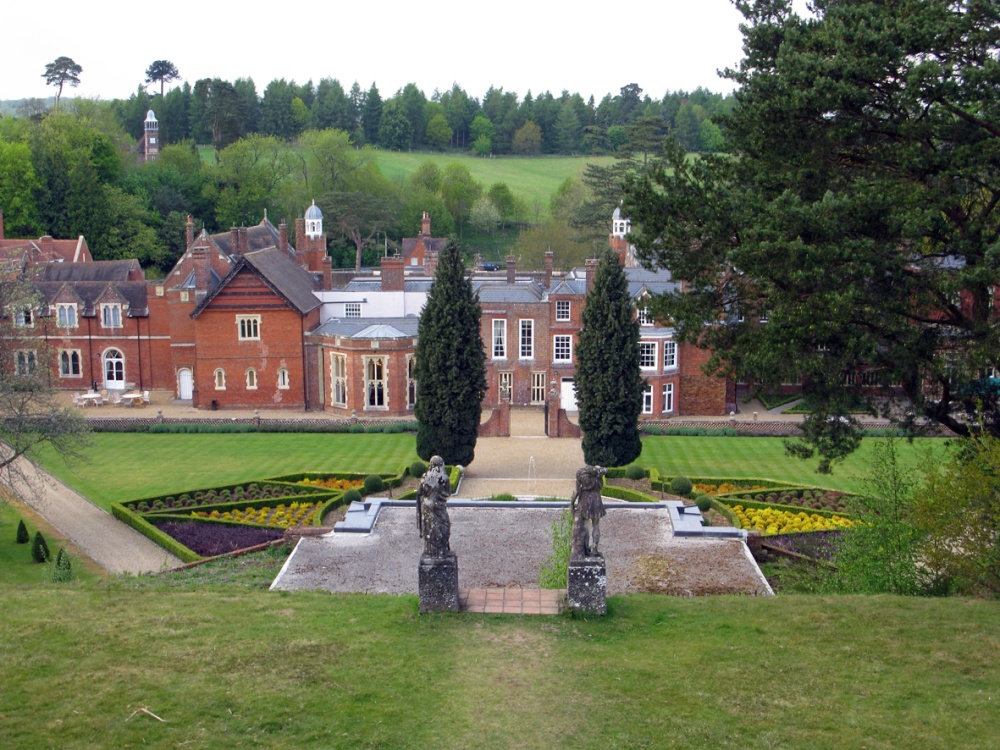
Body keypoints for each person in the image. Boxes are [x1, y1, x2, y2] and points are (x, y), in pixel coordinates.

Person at [570, 465, 607, 557]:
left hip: (584, 500)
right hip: (596, 499)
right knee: (596, 525)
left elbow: (577, 491)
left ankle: (586, 549)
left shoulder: (580, 473)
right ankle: (595, 549)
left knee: (585, 526)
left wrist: (572, 504)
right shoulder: (597, 473)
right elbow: (600, 485)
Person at [417, 456, 451, 556]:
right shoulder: (444, 477)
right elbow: (448, 493)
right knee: (444, 527)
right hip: (439, 506)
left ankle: (431, 551)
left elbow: (420, 492)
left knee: (430, 528)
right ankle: (441, 550)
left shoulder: (425, 477)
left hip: (427, 506)